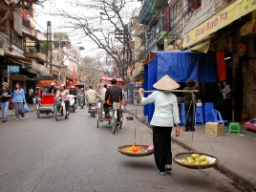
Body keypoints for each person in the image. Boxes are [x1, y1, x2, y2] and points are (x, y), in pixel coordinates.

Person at [138, 75, 181, 176]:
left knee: (158, 145)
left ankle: (161, 169)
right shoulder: (173, 96)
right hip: (168, 123)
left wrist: (140, 92)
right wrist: (177, 127)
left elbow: (144, 101)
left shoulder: (156, 94)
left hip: (157, 122)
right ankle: (168, 163)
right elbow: (175, 112)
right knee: (167, 142)